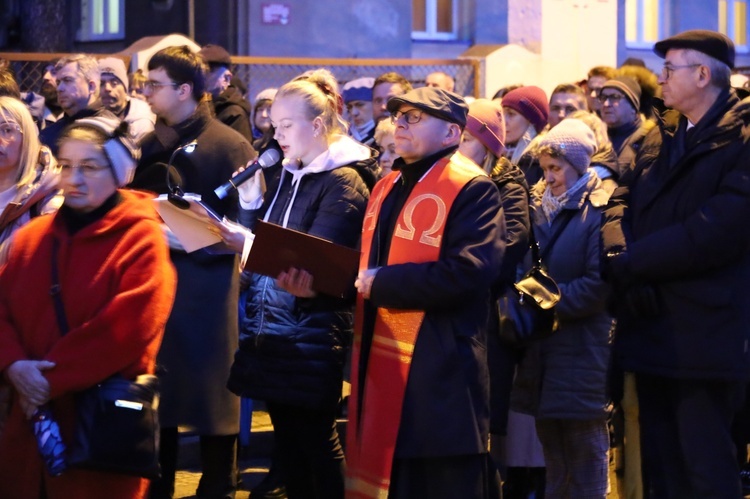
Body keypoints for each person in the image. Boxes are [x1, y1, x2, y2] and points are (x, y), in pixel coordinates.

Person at [601, 29, 750, 498]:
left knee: (704, 469)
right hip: (651, 324)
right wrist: (615, 252)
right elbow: (619, 199)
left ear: (703, 74)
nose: (659, 80)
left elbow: (714, 231)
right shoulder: (661, 133)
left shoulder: (741, 139)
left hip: (708, 333)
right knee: (659, 469)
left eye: (669, 70)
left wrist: (633, 264)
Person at [0, 114, 176, 499]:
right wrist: (13, 364)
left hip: (100, 434)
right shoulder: (32, 239)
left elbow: (126, 329)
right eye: (65, 166)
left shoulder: (141, 240)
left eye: (89, 166)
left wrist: (44, 382)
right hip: (31, 430)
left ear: (119, 174)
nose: (72, 178)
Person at [220, 68, 375, 499]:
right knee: (289, 444)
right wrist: (250, 205)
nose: (278, 136)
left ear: (318, 124)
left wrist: (246, 242)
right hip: (274, 328)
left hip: (312, 331)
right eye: (273, 126)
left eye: (286, 126)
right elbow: (272, 244)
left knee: (315, 441)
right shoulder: (291, 172)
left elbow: (316, 256)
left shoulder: (345, 180)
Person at [348, 87, 505, 498]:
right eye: (398, 115)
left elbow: (471, 271)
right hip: (384, 366)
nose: (399, 122)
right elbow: (366, 269)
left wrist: (384, 284)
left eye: (415, 117)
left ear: (452, 133)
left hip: (441, 372)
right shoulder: (386, 187)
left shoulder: (473, 187)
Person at [130, 45, 256, 499]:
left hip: (208, 286)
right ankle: (155, 485)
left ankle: (219, 483)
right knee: (158, 394)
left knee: (212, 394)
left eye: (155, 85)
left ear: (185, 90)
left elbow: (251, 220)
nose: (145, 92)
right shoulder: (147, 145)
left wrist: (198, 235)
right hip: (156, 284)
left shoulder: (230, 144)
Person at [512, 118, 613, 499]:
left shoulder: (598, 211)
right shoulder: (537, 207)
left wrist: (542, 303)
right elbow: (523, 269)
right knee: (554, 461)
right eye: (545, 168)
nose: (549, 177)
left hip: (583, 350)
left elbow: (597, 283)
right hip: (543, 352)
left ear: (579, 166)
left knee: (586, 460)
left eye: (557, 168)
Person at [458, 98, 531, 492]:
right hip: (463, 309)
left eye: (467, 139)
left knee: (485, 417)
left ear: (487, 145)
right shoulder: (453, 179)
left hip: (489, 312)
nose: (458, 148)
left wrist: (460, 265)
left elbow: (512, 240)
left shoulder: (507, 180)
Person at [39, 54, 104, 155]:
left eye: (67, 80)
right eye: (58, 82)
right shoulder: (47, 136)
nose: (59, 88)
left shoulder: (112, 130)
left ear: (91, 86)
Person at [199, 44, 254, 142]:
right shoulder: (196, 104)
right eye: (198, 71)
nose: (201, 77)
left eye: (208, 72)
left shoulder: (234, 113)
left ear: (226, 78)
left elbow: (237, 154)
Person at [599, 76, 654, 174]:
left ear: (633, 107)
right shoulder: (597, 137)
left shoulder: (647, 140)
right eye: (603, 97)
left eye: (614, 97)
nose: (606, 104)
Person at [98, 57, 155, 143]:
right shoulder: (90, 116)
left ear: (125, 89)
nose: (107, 88)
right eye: (101, 83)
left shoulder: (142, 123)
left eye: (114, 83)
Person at [500, 85, 549, 184]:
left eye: (511, 114)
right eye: (502, 113)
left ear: (531, 121)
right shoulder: (502, 155)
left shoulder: (538, 162)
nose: (504, 121)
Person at [342, 77, 376, 147]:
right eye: (350, 107)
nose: (354, 113)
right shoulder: (345, 137)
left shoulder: (386, 135)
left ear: (375, 104)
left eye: (360, 105)